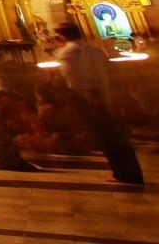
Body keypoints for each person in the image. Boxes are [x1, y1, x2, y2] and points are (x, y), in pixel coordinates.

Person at [55, 22, 143, 185]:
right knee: (115, 134)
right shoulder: (96, 51)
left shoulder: (64, 53)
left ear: (62, 36)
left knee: (103, 135)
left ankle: (121, 173)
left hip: (82, 95)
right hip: (103, 93)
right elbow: (111, 72)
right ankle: (130, 172)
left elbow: (67, 76)